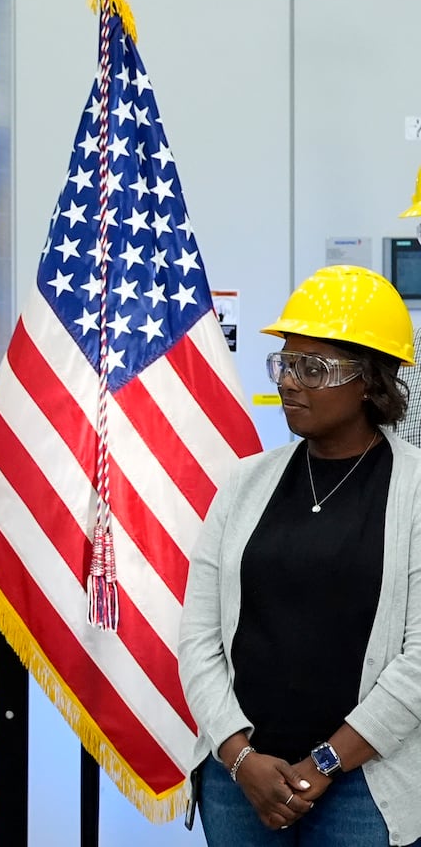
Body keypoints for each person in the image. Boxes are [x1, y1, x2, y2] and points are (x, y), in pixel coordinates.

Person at [179, 265, 421, 845]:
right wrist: (240, 758)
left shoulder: (414, 492)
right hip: (239, 781)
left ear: (369, 382)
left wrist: (325, 765)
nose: (290, 381)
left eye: (313, 368)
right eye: (285, 364)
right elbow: (198, 638)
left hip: (363, 787)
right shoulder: (243, 484)